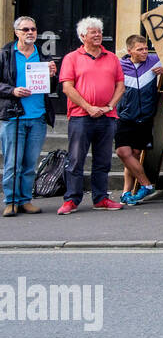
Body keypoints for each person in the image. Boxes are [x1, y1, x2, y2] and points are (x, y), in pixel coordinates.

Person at [57, 17, 125, 214]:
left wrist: (109, 106)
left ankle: (101, 198)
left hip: (107, 116)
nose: (98, 35)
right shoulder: (72, 58)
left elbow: (120, 85)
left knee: (103, 160)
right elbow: (67, 87)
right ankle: (71, 199)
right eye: (93, 32)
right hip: (80, 116)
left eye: (99, 32)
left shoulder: (111, 57)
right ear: (82, 36)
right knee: (76, 160)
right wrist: (88, 107)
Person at [0, 16, 56, 216]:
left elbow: (51, 88)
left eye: (33, 29)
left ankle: (25, 200)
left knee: (30, 164)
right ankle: (11, 201)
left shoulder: (42, 56)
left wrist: (52, 75)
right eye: (25, 29)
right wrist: (12, 91)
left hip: (37, 116)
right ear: (16, 32)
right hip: (13, 117)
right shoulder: (6, 54)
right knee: (12, 163)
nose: (30, 32)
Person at [115, 35, 163, 205]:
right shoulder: (119, 65)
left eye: (145, 48)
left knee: (134, 155)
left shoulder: (153, 61)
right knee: (123, 152)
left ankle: (126, 192)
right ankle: (146, 185)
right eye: (140, 49)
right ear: (129, 51)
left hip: (144, 118)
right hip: (124, 116)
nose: (144, 52)